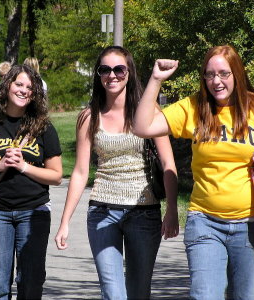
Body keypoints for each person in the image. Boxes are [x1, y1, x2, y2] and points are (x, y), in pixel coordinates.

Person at [132, 45, 254, 299]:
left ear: (237, 74)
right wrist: (155, 80)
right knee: (204, 295)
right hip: (205, 223)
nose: (216, 81)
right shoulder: (195, 107)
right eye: (209, 75)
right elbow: (142, 127)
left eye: (223, 73)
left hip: (250, 225)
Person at [54, 46, 179, 300]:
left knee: (138, 291)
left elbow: (168, 165)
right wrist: (64, 222)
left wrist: (173, 210)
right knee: (112, 293)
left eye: (119, 69)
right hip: (102, 212)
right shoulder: (89, 117)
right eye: (105, 70)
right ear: (98, 75)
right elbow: (79, 172)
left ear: (129, 73)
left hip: (144, 213)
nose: (112, 75)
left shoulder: (150, 113)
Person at [0, 64, 63, 299]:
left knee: (30, 282)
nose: (24, 90)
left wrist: (23, 166)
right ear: (7, 85)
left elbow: (56, 175)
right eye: (19, 84)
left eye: (30, 87)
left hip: (34, 212)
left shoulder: (42, 126)